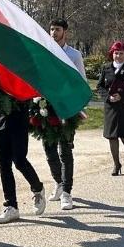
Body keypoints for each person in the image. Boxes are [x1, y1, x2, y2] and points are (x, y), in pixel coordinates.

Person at [45, 18, 86, 210]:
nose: (54, 32)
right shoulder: (43, 50)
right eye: (52, 29)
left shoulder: (74, 55)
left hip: (67, 107)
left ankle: (67, 193)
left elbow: (81, 82)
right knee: (49, 150)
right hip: (46, 107)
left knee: (65, 150)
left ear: (65, 32)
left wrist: (78, 107)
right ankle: (59, 182)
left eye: (57, 29)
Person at [0, 87, 47, 225]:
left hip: (18, 116)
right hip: (0, 118)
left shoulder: (21, 66)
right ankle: (11, 206)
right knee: (4, 164)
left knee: (19, 160)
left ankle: (38, 189)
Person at [97, 41, 124, 175]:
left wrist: (122, 96)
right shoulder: (106, 68)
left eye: (121, 53)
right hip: (111, 107)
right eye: (116, 53)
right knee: (112, 136)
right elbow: (100, 87)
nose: (118, 56)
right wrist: (108, 97)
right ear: (112, 53)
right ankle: (116, 164)